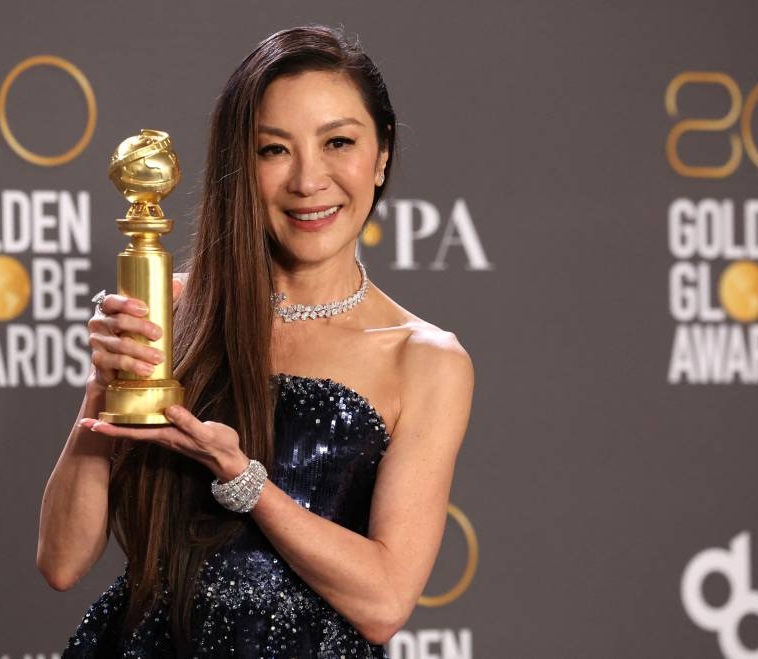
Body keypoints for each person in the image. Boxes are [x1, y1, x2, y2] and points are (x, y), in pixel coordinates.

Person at [37, 25, 473, 658]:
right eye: (274, 150)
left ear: (381, 155)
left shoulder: (424, 358)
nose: (308, 180)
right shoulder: (175, 309)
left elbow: (384, 604)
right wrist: (102, 388)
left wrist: (244, 480)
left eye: (338, 142)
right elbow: (61, 561)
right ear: (242, 166)